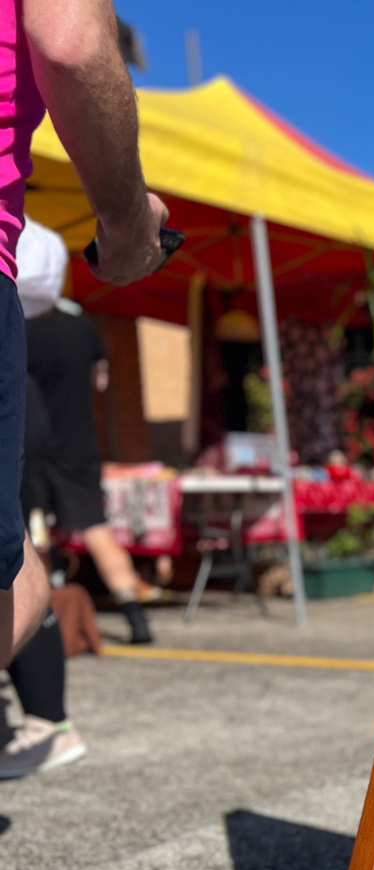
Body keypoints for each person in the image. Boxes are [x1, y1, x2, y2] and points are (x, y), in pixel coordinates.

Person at [0, 0, 168, 771]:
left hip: (47, 445)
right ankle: (128, 613)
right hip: (69, 446)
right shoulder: (81, 328)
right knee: (26, 568)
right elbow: (70, 43)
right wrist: (129, 219)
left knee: (33, 563)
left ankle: (120, 619)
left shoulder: (46, 330)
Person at [18, 215, 156, 644]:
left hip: (29, 442)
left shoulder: (15, 328)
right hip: (79, 439)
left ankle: (38, 623)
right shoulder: (82, 326)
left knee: (26, 534)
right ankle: (135, 616)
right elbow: (101, 379)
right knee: (96, 528)